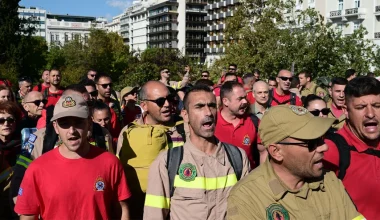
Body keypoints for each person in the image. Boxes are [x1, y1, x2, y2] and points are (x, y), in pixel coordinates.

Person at [227, 105, 364, 220]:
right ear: (276, 152)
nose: (324, 147)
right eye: (311, 143)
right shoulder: (247, 198)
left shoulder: (329, 180)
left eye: (322, 139)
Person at [14, 94, 131, 220]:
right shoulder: (37, 168)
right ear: (56, 127)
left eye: (78, 122)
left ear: (90, 124)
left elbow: (121, 210)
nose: (72, 130)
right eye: (64, 123)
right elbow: (27, 215)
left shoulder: (110, 163)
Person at [143, 85, 250, 220]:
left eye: (211, 106)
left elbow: (248, 210)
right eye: (199, 107)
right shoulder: (167, 162)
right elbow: (153, 215)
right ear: (185, 115)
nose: (208, 113)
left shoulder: (238, 158)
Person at [117, 81, 186, 219]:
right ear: (144, 105)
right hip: (139, 210)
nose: (167, 104)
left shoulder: (184, 129)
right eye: (160, 101)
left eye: (169, 99)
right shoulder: (128, 132)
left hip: (177, 208)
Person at [323, 76, 380, 220]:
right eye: (361, 107)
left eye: (377, 106)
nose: (370, 114)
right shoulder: (331, 150)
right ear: (346, 111)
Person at [215, 81, 259, 168]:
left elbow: (263, 151)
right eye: (240, 99)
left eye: (245, 97)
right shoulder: (212, 121)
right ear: (225, 101)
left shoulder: (254, 122)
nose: (245, 101)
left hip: (247, 179)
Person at [0, 101, 22, 219]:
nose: (6, 123)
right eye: (1, 121)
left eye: (10, 120)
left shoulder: (25, 146)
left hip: (17, 204)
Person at [95, 73, 122, 138]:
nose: (108, 88)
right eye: (104, 85)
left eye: (110, 85)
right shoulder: (94, 105)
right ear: (96, 86)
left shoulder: (115, 103)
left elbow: (121, 122)